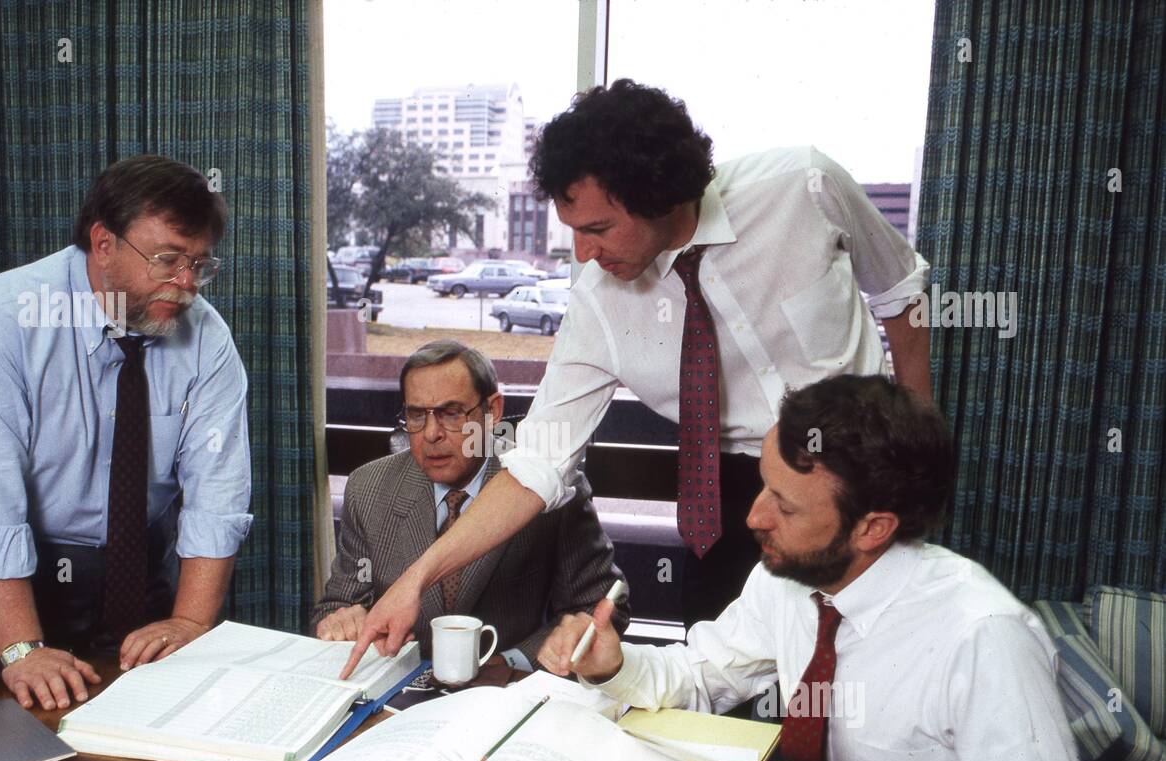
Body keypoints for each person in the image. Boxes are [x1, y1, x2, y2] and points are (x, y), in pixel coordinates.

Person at [342, 79, 930, 678]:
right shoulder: (597, 305)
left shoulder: (803, 187)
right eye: (572, 229)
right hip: (720, 493)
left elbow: (901, 294)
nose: (582, 253)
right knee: (731, 682)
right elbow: (536, 464)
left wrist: (913, 458)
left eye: (597, 229)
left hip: (854, 476)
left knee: (879, 667)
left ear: (661, 196)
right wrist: (416, 578)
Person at [537, 375, 1098, 761]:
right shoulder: (786, 578)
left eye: (785, 505)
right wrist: (614, 663)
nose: (754, 517)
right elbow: (699, 677)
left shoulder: (984, 638)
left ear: (873, 528)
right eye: (763, 486)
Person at [0, 155, 252, 711]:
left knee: (153, 748)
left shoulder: (207, 338)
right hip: (14, 579)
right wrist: (21, 650)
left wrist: (189, 622)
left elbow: (216, 499)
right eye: (168, 260)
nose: (186, 286)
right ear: (103, 244)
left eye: (200, 265)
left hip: (144, 570)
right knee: (15, 759)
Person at [315, 340, 627, 670]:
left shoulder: (551, 489)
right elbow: (337, 605)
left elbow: (605, 608)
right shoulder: (368, 488)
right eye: (417, 415)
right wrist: (342, 621)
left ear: (492, 412)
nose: (431, 434)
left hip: (510, 689)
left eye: (451, 414)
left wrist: (516, 661)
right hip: (399, 687)